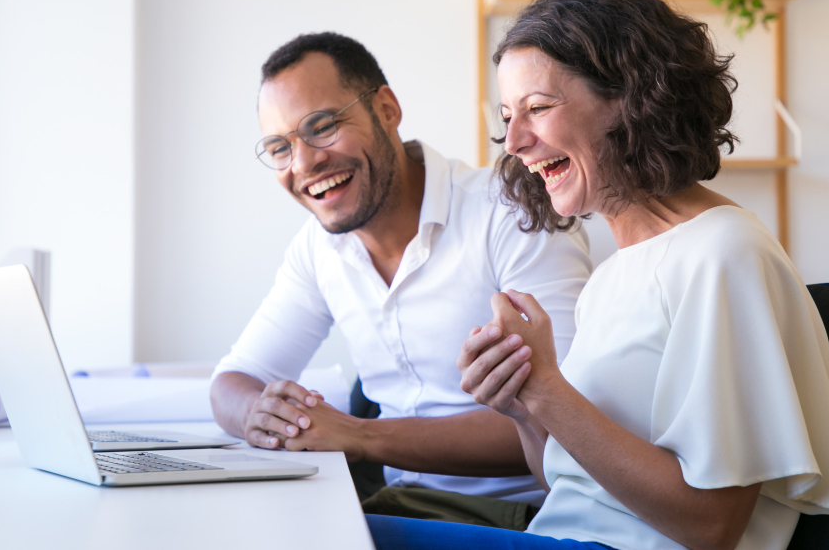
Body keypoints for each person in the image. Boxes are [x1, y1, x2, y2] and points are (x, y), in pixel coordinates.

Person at [366, 0, 829, 550]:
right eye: (508, 115)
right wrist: (525, 405)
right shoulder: (611, 277)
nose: (515, 142)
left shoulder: (723, 252)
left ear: (631, 97)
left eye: (538, 108)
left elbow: (711, 526)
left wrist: (550, 393)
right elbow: (568, 488)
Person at [210, 32, 592, 519]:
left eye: (322, 126)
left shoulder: (510, 210)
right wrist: (260, 415)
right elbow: (232, 382)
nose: (303, 162)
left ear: (386, 108)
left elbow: (570, 416)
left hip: (519, 516)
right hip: (395, 506)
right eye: (279, 148)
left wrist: (360, 437)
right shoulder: (318, 247)